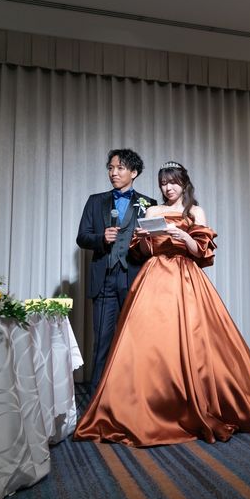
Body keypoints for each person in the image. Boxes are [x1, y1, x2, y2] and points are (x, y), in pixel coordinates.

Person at [74, 161, 250, 447]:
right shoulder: (153, 211)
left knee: (195, 341)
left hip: (186, 278)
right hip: (154, 277)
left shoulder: (195, 212)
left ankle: (194, 400)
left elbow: (202, 253)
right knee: (150, 345)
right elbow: (144, 252)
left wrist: (183, 236)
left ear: (184, 183)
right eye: (163, 183)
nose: (168, 188)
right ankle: (153, 403)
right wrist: (146, 239)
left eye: (173, 182)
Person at [77, 148, 157, 392]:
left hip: (134, 279)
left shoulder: (149, 204)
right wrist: (101, 238)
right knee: (102, 341)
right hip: (104, 279)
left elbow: (155, 246)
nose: (114, 172)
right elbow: (82, 237)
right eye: (111, 168)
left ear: (134, 172)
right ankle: (96, 400)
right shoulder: (95, 201)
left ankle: (135, 395)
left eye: (120, 168)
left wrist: (145, 240)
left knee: (136, 340)